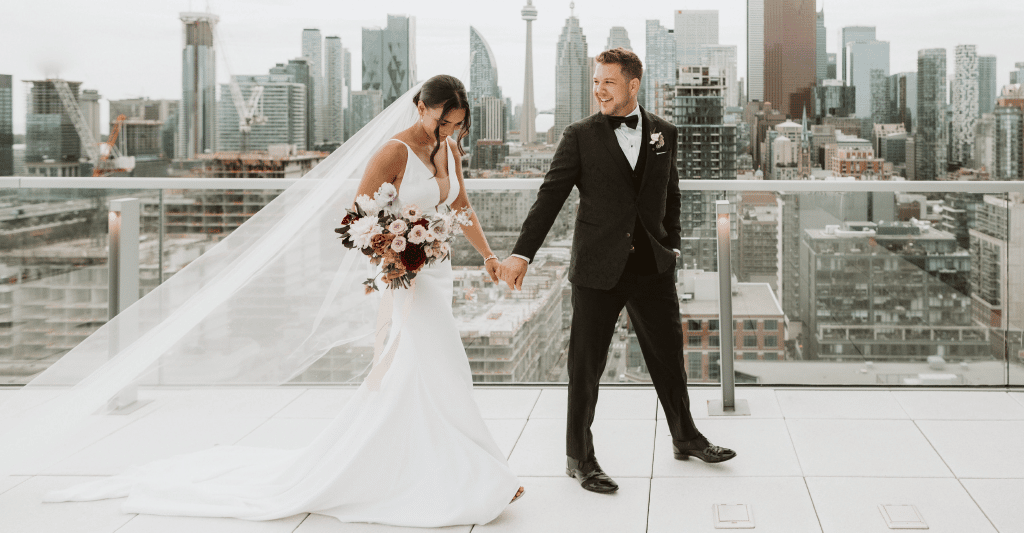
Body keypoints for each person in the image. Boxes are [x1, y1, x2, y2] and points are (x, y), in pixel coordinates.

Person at [41, 75, 524, 527]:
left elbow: (459, 207)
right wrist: (395, 252)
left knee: (428, 370)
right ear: (420, 106)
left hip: (438, 271)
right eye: (441, 120)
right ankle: (469, 471)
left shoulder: (451, 151)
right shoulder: (393, 153)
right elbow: (357, 221)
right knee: (442, 364)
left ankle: (448, 465)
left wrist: (488, 256)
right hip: (405, 276)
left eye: (456, 124)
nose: (447, 130)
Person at [498, 48, 736, 494]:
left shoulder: (666, 132)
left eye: (608, 82)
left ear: (632, 85)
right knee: (585, 367)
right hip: (597, 268)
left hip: (652, 266)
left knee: (669, 359)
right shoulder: (579, 135)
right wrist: (521, 255)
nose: (598, 90)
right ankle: (580, 458)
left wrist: (674, 246)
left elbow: (671, 195)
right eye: (595, 81)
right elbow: (549, 198)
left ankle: (685, 437)